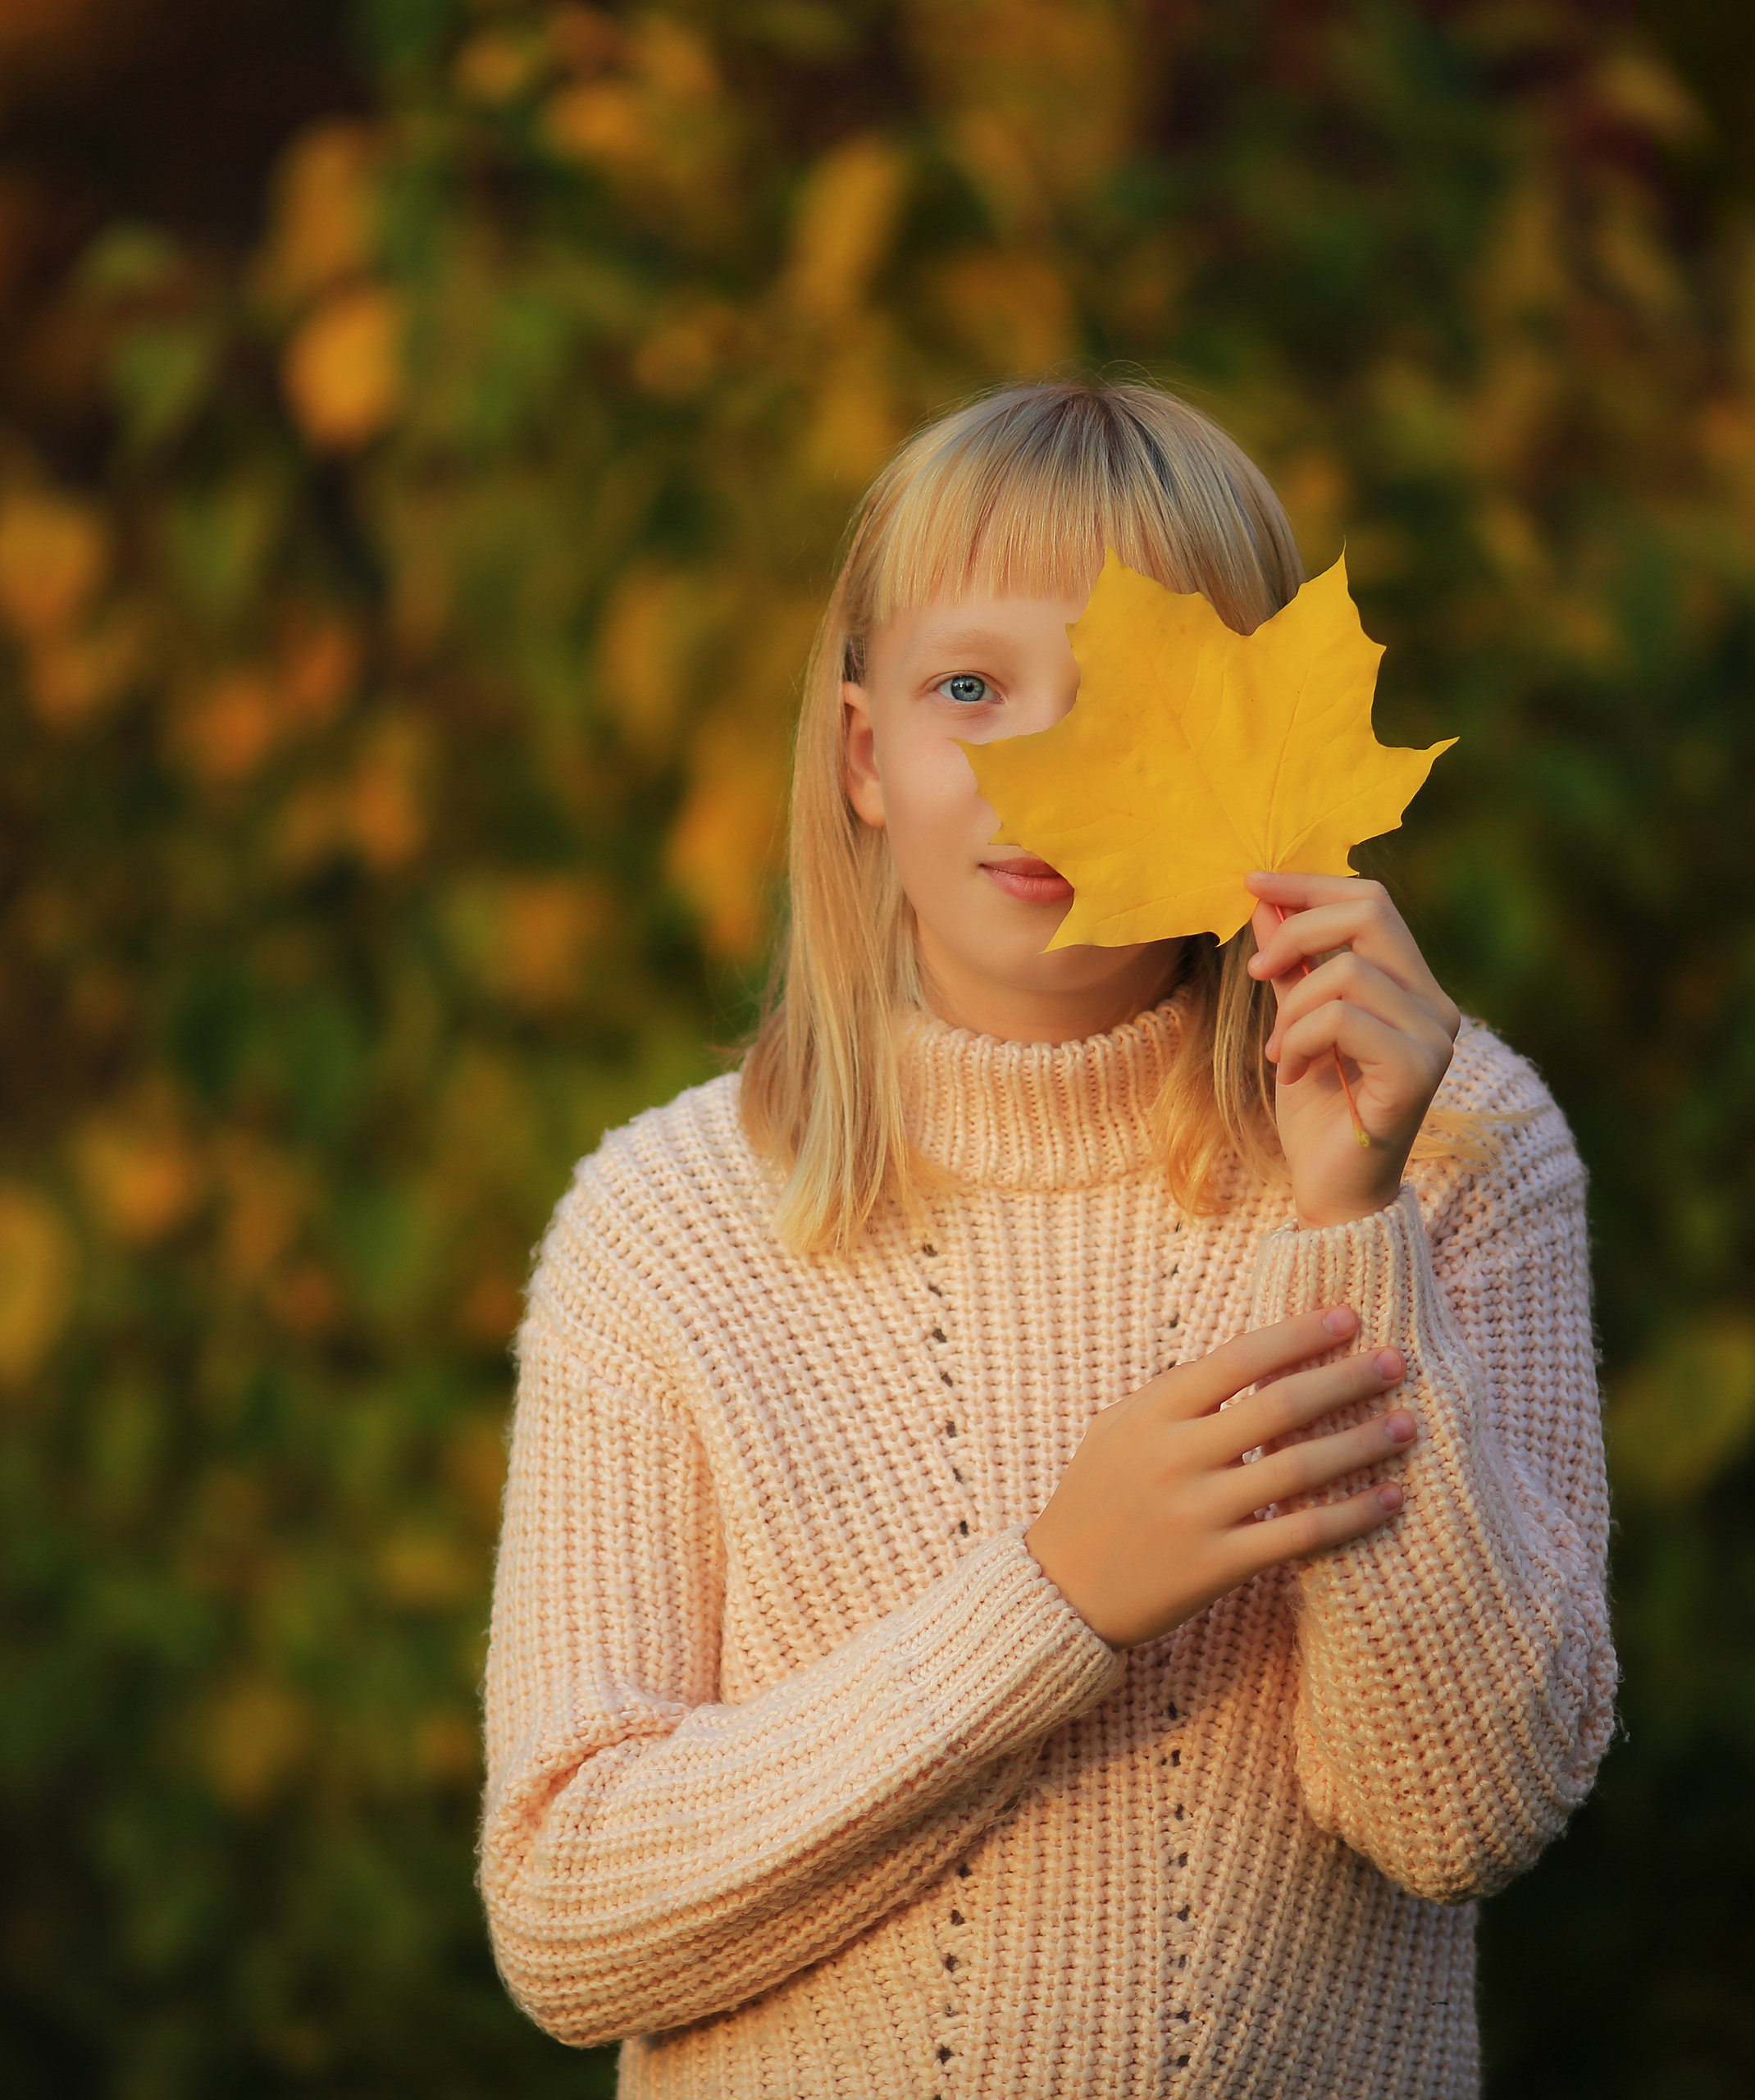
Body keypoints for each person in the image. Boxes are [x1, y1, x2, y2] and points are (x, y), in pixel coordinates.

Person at [478, 379, 1615, 2098]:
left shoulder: (1454, 1142)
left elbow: (1461, 1807)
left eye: (1125, 703)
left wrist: (1345, 1217)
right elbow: (570, 1917)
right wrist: (1055, 1594)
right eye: (968, 689)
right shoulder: (664, 1228)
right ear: (865, 757)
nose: (1039, 766)